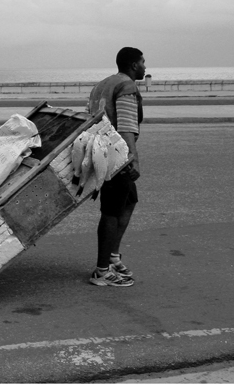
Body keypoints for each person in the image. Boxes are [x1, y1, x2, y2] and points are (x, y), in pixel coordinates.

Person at [86, 46, 146, 287]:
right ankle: (102, 271)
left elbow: (88, 118)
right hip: (116, 156)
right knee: (111, 212)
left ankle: (112, 257)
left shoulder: (102, 85)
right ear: (133, 65)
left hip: (99, 148)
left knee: (129, 201)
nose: (145, 67)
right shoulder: (127, 87)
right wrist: (132, 160)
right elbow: (127, 127)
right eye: (143, 62)